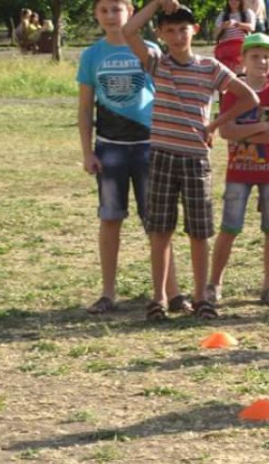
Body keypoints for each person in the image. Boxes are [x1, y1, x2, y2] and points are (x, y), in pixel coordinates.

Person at [123, 0, 259, 320]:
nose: (176, 36)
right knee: (160, 231)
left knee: (199, 232)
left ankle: (201, 298)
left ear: (194, 30)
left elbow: (248, 97)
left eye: (183, 29)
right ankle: (158, 298)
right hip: (162, 155)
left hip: (196, 158)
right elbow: (129, 30)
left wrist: (213, 124)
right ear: (160, 33)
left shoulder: (210, 67)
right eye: (169, 31)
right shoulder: (157, 63)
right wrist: (156, 3)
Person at [77, 0, 187, 316]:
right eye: (104, 10)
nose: (111, 16)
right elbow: (85, 108)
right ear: (96, 15)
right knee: (110, 218)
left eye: (118, 9)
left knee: (158, 223)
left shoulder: (149, 48)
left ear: (130, 12)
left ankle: (172, 291)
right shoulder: (91, 56)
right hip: (109, 149)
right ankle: (108, 293)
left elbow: (166, 95)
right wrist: (87, 152)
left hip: (148, 146)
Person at [208, 33, 269, 308]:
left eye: (267, 56)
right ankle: (214, 284)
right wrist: (258, 128)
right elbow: (225, 131)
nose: (262, 61)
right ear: (242, 60)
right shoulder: (233, 92)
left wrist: (243, 134)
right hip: (239, 171)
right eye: (255, 56)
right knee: (229, 227)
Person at [214, 0, 255, 71]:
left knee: (240, 70)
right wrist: (223, 26)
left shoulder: (247, 13)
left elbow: (251, 27)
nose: (233, 2)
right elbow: (215, 34)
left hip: (242, 46)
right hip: (226, 47)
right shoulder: (223, 15)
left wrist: (236, 24)